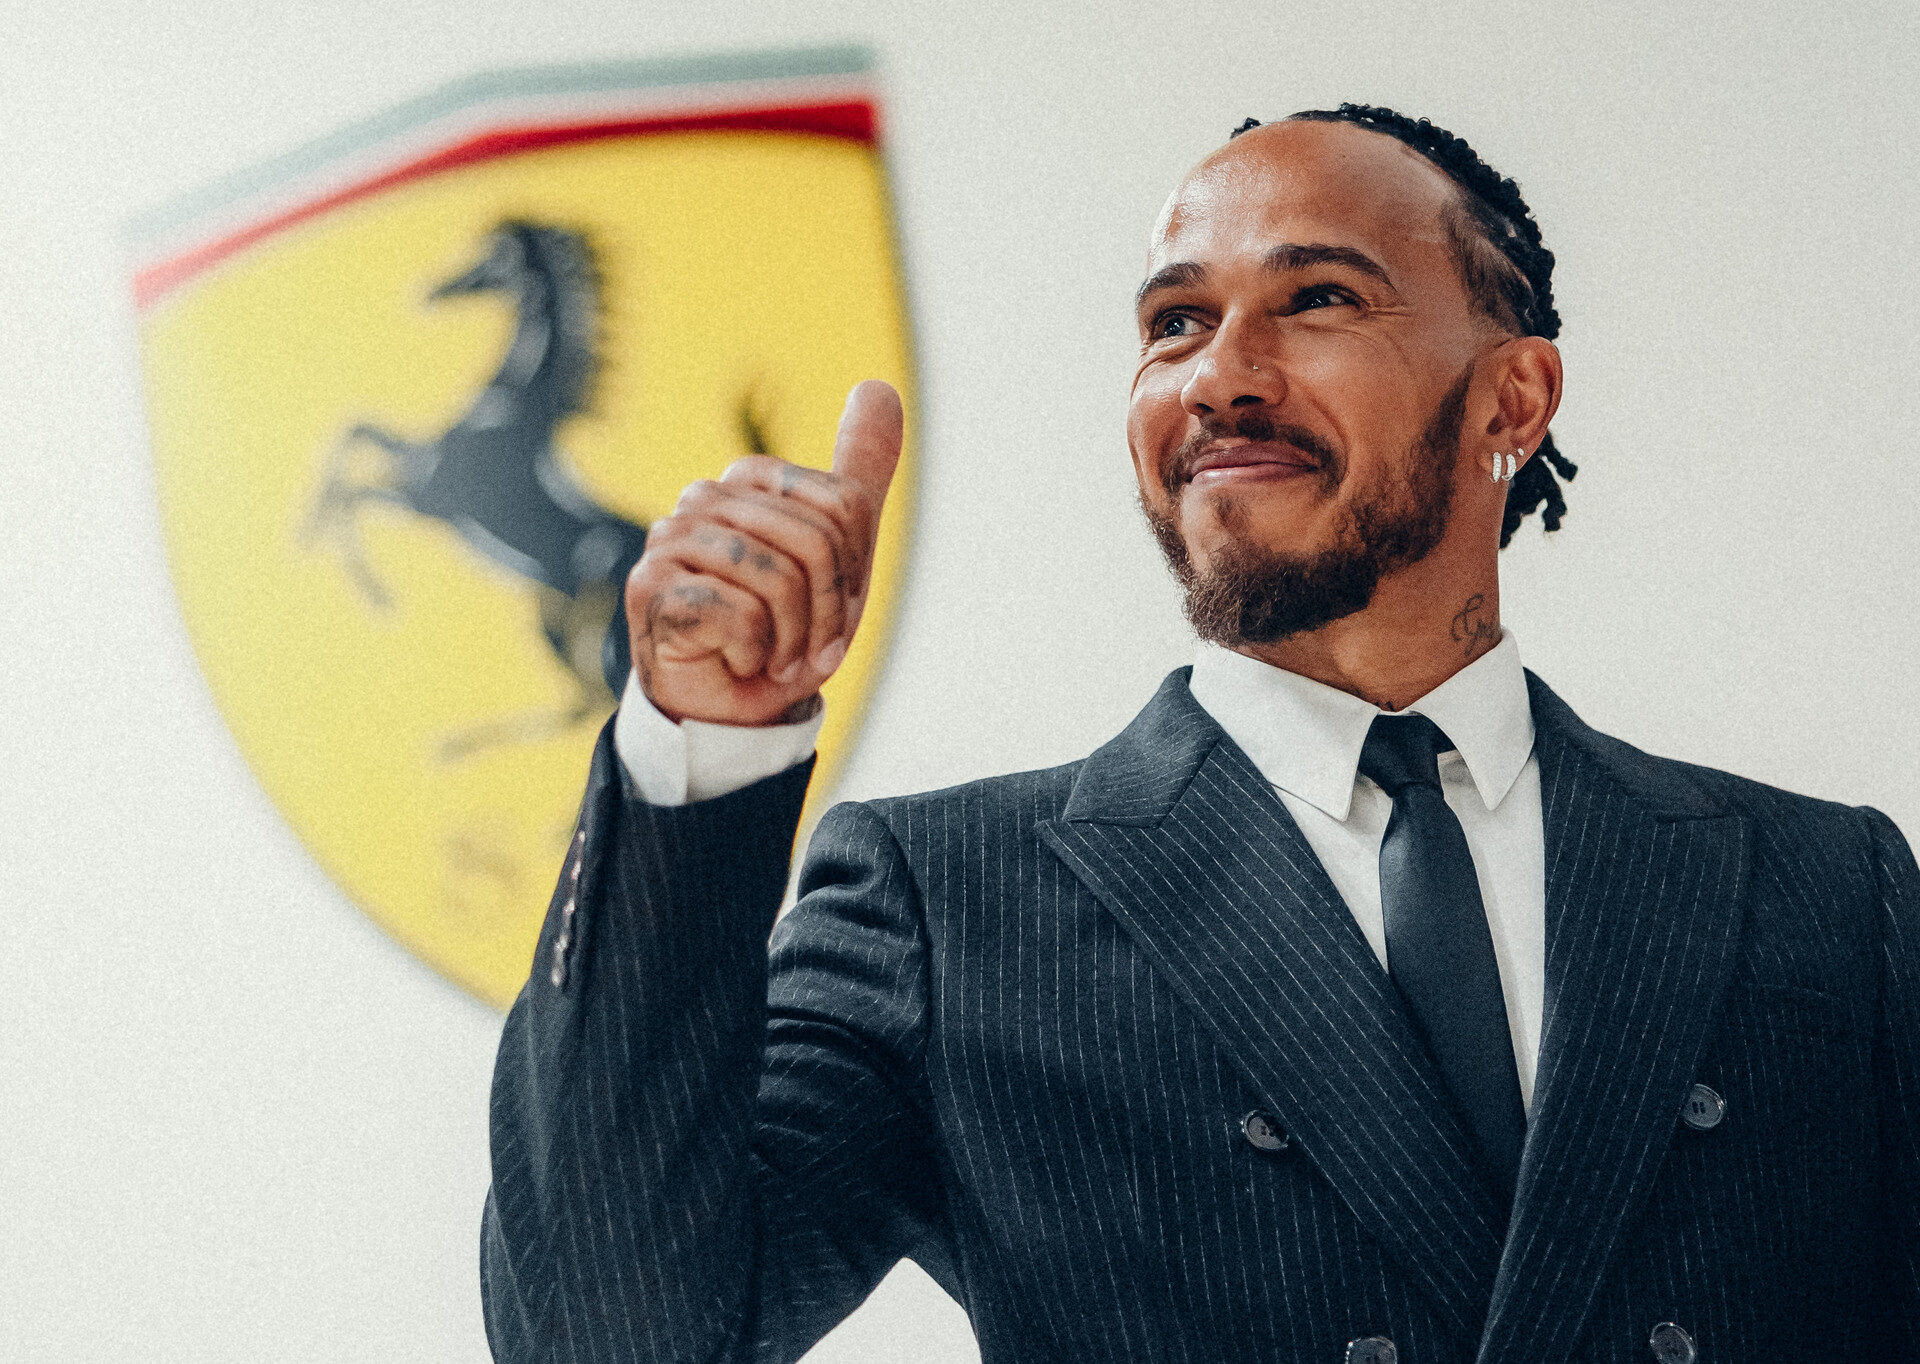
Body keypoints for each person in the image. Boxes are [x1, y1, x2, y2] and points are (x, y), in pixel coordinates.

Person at [479, 105, 1919, 1364]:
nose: (1221, 374)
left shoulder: (1829, 890)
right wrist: (702, 753)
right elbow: (614, 1336)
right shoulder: (949, 902)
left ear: (1514, 397)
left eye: (1319, 298)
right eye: (1174, 322)